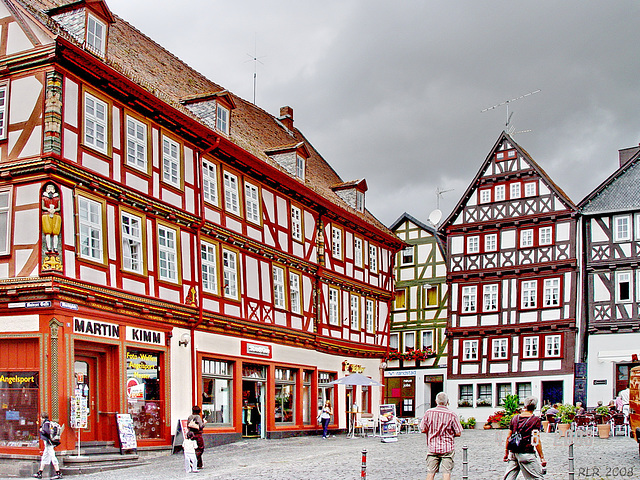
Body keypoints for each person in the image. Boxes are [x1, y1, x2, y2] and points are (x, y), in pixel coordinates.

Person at [419, 392, 463, 480]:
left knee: (430, 473)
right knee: (446, 473)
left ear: (436, 401)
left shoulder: (429, 412)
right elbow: (458, 432)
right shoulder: (452, 414)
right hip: (447, 448)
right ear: (447, 402)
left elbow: (423, 429)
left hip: (432, 447)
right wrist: (449, 434)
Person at [502, 396, 546, 480]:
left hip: (514, 453)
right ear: (535, 407)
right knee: (537, 478)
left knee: (509, 478)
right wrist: (542, 457)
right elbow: (536, 440)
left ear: (524, 406)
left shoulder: (514, 418)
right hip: (527, 453)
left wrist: (506, 453)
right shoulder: (535, 420)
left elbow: (509, 437)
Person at [33, 412, 62, 479]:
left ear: (42, 417)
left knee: (53, 457)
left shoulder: (45, 424)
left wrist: (41, 430)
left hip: (48, 444)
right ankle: (40, 472)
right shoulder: (48, 423)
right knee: (44, 457)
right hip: (48, 444)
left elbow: (46, 432)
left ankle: (58, 473)